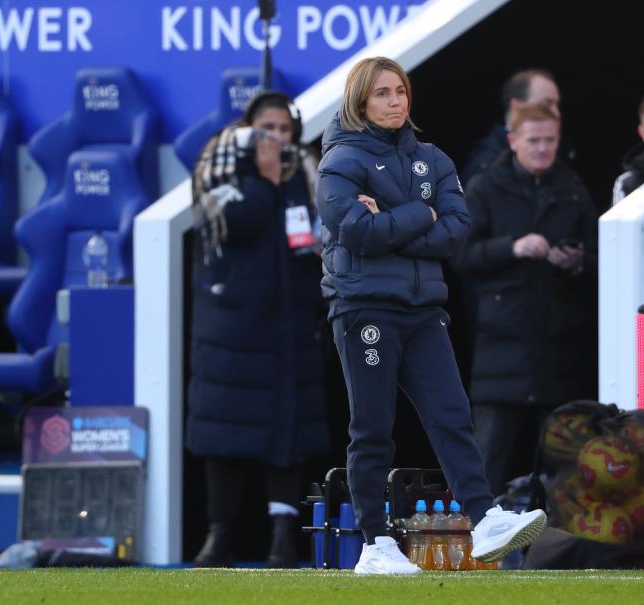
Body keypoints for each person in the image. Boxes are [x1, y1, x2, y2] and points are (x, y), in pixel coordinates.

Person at [317, 56, 547, 575]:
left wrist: (395, 221)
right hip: (364, 308)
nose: (395, 101)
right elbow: (358, 231)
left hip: (423, 309)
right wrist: (423, 214)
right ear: (359, 101)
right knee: (372, 426)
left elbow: (457, 231)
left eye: (400, 91)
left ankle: (485, 518)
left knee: (452, 416)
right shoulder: (339, 162)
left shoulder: (433, 159)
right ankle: (374, 544)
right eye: (382, 94)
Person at [186, 91, 330, 567]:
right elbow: (232, 221)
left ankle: (283, 537)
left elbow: (318, 236)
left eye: (286, 131)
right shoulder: (221, 164)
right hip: (230, 329)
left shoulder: (307, 172)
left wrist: (281, 183)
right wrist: (266, 182)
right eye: (267, 128)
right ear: (248, 128)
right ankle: (219, 534)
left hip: (290, 330)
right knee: (223, 436)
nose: (278, 139)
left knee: (286, 437)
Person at [457, 102, 598, 497]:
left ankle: (565, 552)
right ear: (512, 140)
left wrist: (577, 263)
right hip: (502, 354)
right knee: (485, 463)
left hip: (559, 353)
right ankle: (472, 550)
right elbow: (459, 255)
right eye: (534, 140)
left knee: (566, 470)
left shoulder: (573, 188)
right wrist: (512, 248)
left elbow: (605, 257)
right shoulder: (484, 186)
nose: (542, 148)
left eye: (550, 140)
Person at [460, 68, 567, 187]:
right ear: (516, 107)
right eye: (547, 104)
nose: (556, 113)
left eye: (557, 105)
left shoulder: (560, 153)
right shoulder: (485, 168)